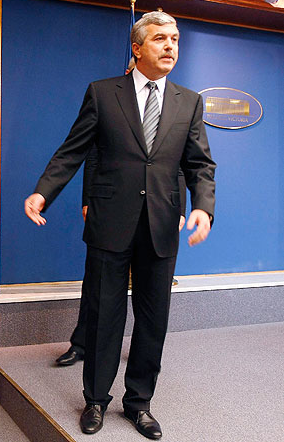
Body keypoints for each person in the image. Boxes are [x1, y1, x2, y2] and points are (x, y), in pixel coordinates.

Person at [25, 11, 216, 439]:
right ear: (137, 47)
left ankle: (139, 403)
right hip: (111, 222)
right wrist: (44, 191)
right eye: (161, 39)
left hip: (162, 225)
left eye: (175, 39)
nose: (170, 46)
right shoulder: (102, 93)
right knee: (104, 316)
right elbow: (72, 151)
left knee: (153, 321)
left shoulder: (189, 101)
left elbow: (200, 164)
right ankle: (95, 399)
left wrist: (203, 205)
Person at [55, 146, 187, 367]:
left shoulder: (171, 115)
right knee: (96, 285)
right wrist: (87, 200)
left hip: (156, 213)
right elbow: (94, 155)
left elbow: (179, 166)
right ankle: (81, 344)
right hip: (112, 208)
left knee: (149, 293)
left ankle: (143, 355)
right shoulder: (111, 110)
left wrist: (180, 210)